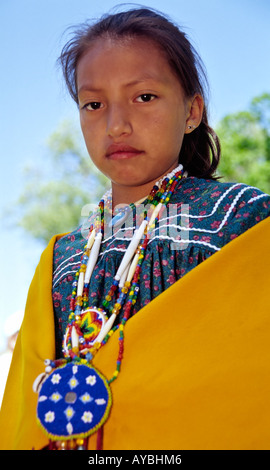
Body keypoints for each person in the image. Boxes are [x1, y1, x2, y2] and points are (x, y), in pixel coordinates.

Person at [1, 7, 270, 451]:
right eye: (94, 104)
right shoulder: (62, 259)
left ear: (192, 111)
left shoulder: (243, 223)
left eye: (144, 96)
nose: (116, 124)